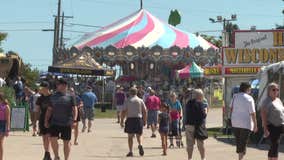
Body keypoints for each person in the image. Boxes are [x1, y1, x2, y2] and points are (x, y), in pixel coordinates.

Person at [44, 78, 78, 160]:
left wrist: (75, 120)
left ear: (66, 86)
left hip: (66, 123)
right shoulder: (53, 96)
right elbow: (49, 109)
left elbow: (75, 109)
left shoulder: (70, 96)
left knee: (66, 142)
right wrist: (46, 120)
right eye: (59, 85)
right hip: (55, 122)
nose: (60, 86)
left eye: (63, 85)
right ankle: (56, 156)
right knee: (53, 139)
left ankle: (66, 158)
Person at [230, 82, 257, 160]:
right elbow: (253, 113)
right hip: (246, 123)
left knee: (239, 142)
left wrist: (232, 118)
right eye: (250, 89)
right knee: (243, 142)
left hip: (235, 122)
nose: (250, 91)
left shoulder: (235, 96)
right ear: (247, 89)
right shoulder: (249, 98)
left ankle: (240, 156)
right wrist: (255, 125)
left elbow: (231, 108)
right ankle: (240, 158)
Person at [120, 87, 147, 157]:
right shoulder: (140, 100)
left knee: (130, 137)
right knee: (139, 135)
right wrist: (144, 120)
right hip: (138, 119)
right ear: (136, 92)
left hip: (130, 119)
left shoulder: (128, 100)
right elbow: (145, 111)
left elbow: (123, 111)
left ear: (129, 92)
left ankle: (131, 151)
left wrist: (121, 121)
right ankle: (140, 144)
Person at [260, 82, 284, 160]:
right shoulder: (267, 101)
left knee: (274, 145)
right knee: (275, 145)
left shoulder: (278, 100)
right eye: (274, 89)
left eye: (277, 89)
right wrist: (265, 129)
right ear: (269, 91)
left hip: (281, 125)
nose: (276, 91)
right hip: (272, 126)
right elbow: (263, 116)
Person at [184, 89, 208, 160]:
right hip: (198, 126)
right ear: (199, 95)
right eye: (202, 95)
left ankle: (189, 158)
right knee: (200, 143)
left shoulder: (188, 103)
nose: (203, 97)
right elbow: (203, 115)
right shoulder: (200, 103)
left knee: (189, 144)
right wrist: (206, 110)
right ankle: (203, 158)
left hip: (189, 125)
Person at [36, 81, 52, 160]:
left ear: (46, 88)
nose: (40, 89)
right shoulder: (40, 98)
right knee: (44, 137)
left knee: (48, 137)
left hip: (51, 119)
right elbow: (37, 110)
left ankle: (47, 153)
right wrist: (36, 122)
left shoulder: (52, 97)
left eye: (41, 87)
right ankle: (47, 153)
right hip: (42, 119)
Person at [0, 93, 10, 160]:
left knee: (0, 142)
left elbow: (8, 118)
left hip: (2, 124)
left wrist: (7, 129)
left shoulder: (6, 106)